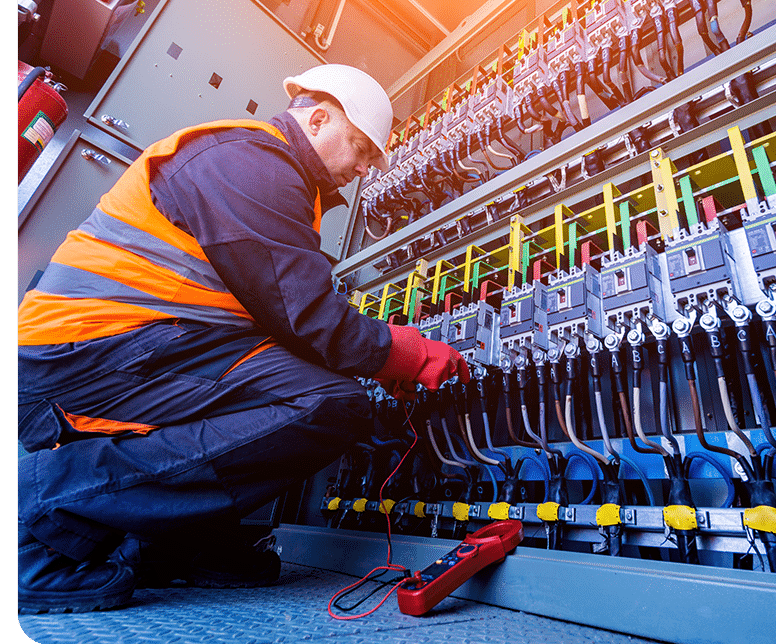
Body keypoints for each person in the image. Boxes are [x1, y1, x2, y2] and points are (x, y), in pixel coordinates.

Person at [16, 64, 470, 614]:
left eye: (374, 159)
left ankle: (177, 541)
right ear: (319, 118)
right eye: (361, 148)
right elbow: (306, 314)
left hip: (145, 347)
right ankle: (45, 510)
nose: (365, 168)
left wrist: (377, 357)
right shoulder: (251, 163)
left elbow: (281, 316)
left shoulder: (280, 177)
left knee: (314, 391)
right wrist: (405, 352)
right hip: (89, 358)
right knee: (327, 404)